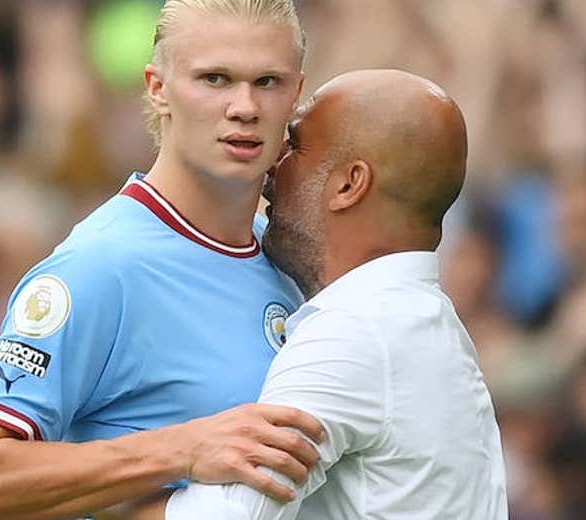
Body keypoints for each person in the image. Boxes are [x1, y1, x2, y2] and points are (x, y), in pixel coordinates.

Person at [0, 0, 325, 520]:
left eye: (267, 82)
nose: (244, 107)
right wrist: (181, 448)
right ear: (158, 88)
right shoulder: (102, 265)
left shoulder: (291, 259)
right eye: (214, 79)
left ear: (296, 95)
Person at [107, 69, 508, 519]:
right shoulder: (415, 323)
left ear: (348, 185)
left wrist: (83, 491)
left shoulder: (355, 333)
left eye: (295, 145)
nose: (271, 161)